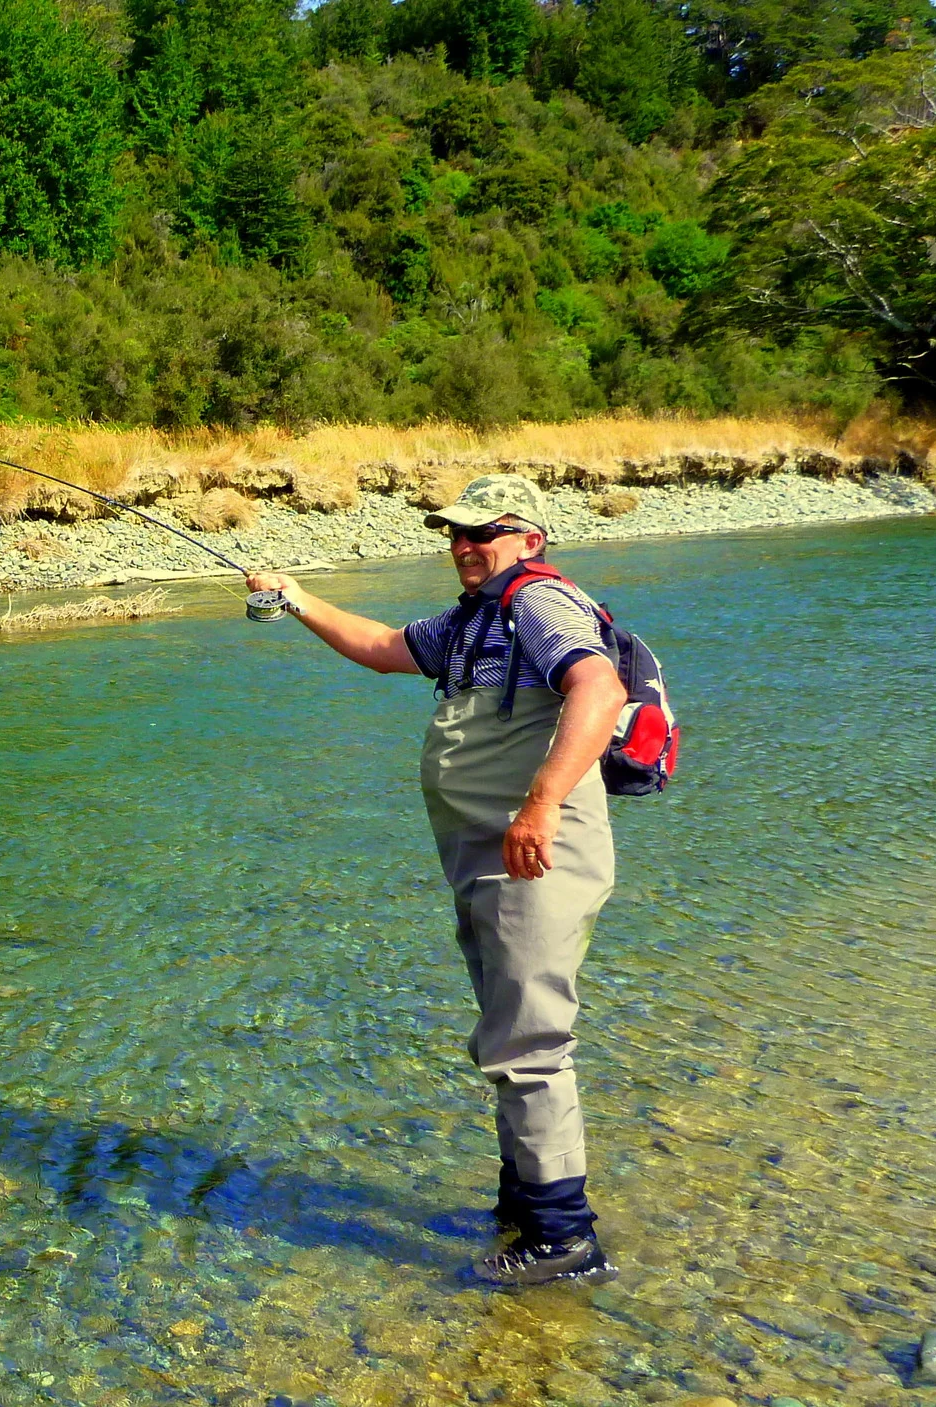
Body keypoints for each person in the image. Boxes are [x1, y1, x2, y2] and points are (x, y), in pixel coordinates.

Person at [246, 473, 626, 1288]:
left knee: (529, 1038)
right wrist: (298, 597)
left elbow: (600, 686)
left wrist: (541, 804)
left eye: (481, 531)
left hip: (536, 853)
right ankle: (525, 1202)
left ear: (530, 538)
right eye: (452, 533)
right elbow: (385, 648)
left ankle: (566, 1239)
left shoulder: (539, 603)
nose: (462, 545)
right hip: (491, 858)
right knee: (506, 1026)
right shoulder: (469, 620)